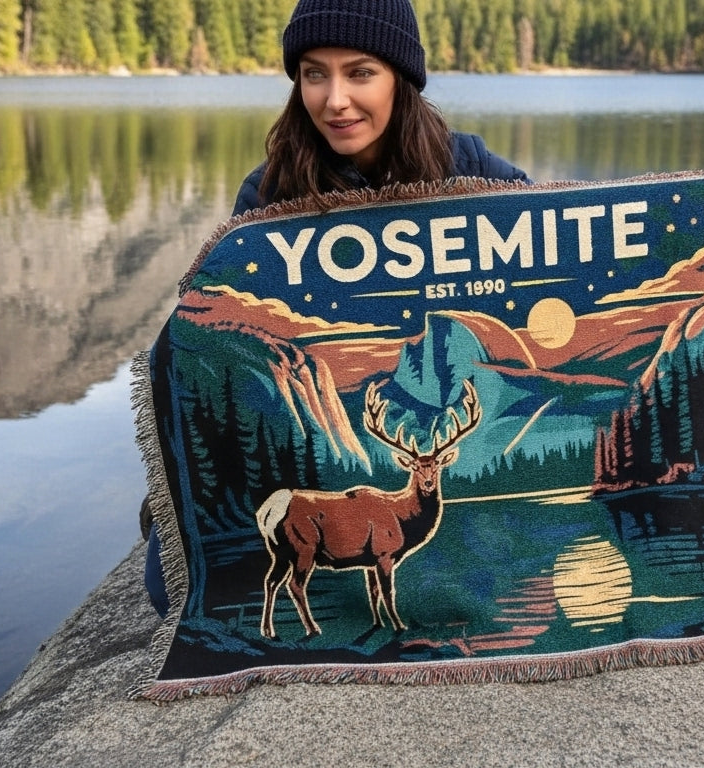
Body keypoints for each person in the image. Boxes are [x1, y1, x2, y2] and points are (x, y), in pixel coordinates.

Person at [143, 0, 532, 618]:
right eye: (314, 73)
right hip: (319, 460)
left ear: (400, 79)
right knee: (175, 590)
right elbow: (214, 332)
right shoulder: (270, 191)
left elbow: (554, 248)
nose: (334, 100)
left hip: (435, 428)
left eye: (360, 72)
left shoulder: (471, 168)